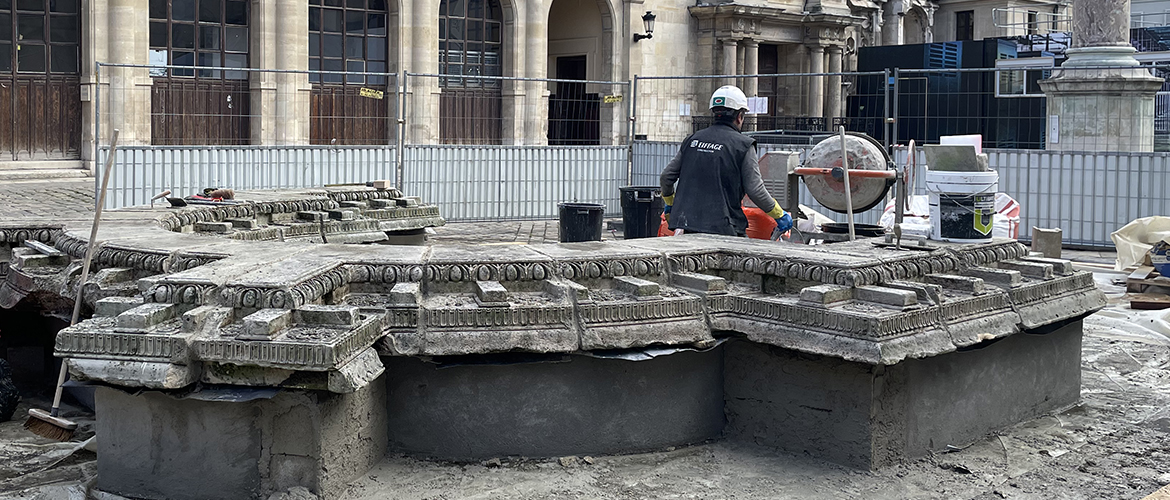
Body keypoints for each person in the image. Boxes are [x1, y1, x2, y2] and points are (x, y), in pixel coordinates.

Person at [659, 85, 793, 237]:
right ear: (739, 116)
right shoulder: (743, 145)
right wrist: (779, 214)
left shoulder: (692, 140)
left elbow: (666, 177)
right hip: (724, 227)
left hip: (687, 225)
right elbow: (755, 190)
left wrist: (670, 204)